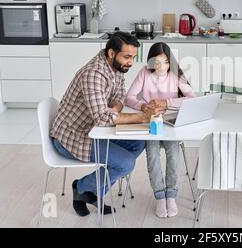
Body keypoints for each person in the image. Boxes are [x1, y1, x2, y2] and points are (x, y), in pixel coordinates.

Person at [50, 32, 157, 217]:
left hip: (95, 131)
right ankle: (82, 187)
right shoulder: (93, 74)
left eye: (133, 57)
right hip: (73, 137)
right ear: (111, 53)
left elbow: (120, 96)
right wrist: (143, 118)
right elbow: (102, 118)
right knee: (126, 163)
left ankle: (92, 191)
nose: (131, 62)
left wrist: (114, 110)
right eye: (127, 56)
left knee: (138, 143)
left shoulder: (116, 69)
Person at [126, 42, 195, 218]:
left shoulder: (176, 74)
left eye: (165, 62)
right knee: (153, 153)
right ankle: (159, 196)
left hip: (171, 123)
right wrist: (144, 106)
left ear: (170, 62)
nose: (161, 67)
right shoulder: (145, 73)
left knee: (173, 152)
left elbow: (191, 97)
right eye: (156, 62)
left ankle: (171, 195)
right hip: (152, 123)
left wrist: (167, 103)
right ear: (150, 62)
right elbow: (129, 98)